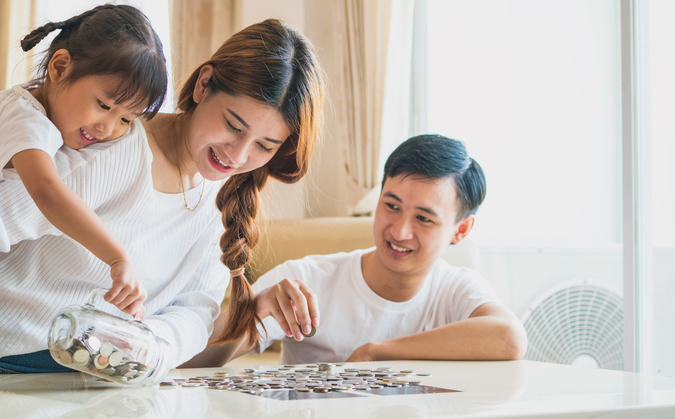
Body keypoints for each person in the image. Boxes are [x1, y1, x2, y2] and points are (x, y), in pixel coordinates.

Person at [0, 18, 325, 376]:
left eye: (265, 146)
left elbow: (196, 311)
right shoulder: (112, 145)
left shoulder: (225, 198)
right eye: (233, 125)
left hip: (99, 374)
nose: (238, 156)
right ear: (204, 85)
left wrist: (148, 346)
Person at [0, 4, 168, 354]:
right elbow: (49, 193)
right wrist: (118, 257)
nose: (108, 128)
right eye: (104, 105)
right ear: (59, 67)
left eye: (127, 120)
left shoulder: (48, 119)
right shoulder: (24, 120)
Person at [189, 134, 527, 366]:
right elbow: (193, 359)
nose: (400, 230)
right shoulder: (306, 279)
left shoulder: (456, 288)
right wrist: (255, 310)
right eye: (391, 206)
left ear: (461, 229)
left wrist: (377, 353)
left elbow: (510, 339)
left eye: (424, 218)